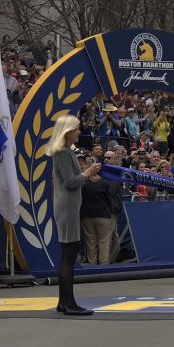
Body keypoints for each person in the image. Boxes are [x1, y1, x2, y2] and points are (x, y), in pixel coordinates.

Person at [46, 114, 101, 315]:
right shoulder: (62, 152)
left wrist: (86, 177)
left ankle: (64, 302)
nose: (79, 132)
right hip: (67, 207)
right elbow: (69, 182)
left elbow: (70, 179)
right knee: (69, 255)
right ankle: (69, 303)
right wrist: (87, 173)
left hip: (68, 206)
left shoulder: (65, 151)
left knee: (68, 254)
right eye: (76, 129)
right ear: (68, 131)